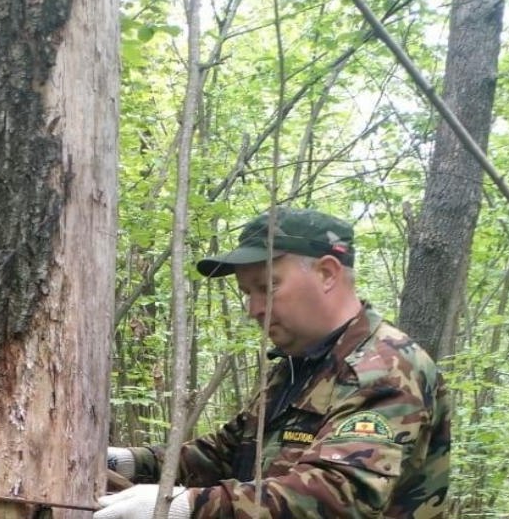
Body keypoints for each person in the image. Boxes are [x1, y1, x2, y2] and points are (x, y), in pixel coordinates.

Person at [95, 207, 451, 519]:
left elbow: (339, 497)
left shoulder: (384, 366)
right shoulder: (297, 366)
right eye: (248, 293)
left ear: (327, 273)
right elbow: (225, 453)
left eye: (268, 287)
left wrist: (189, 507)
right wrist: (127, 461)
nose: (254, 310)